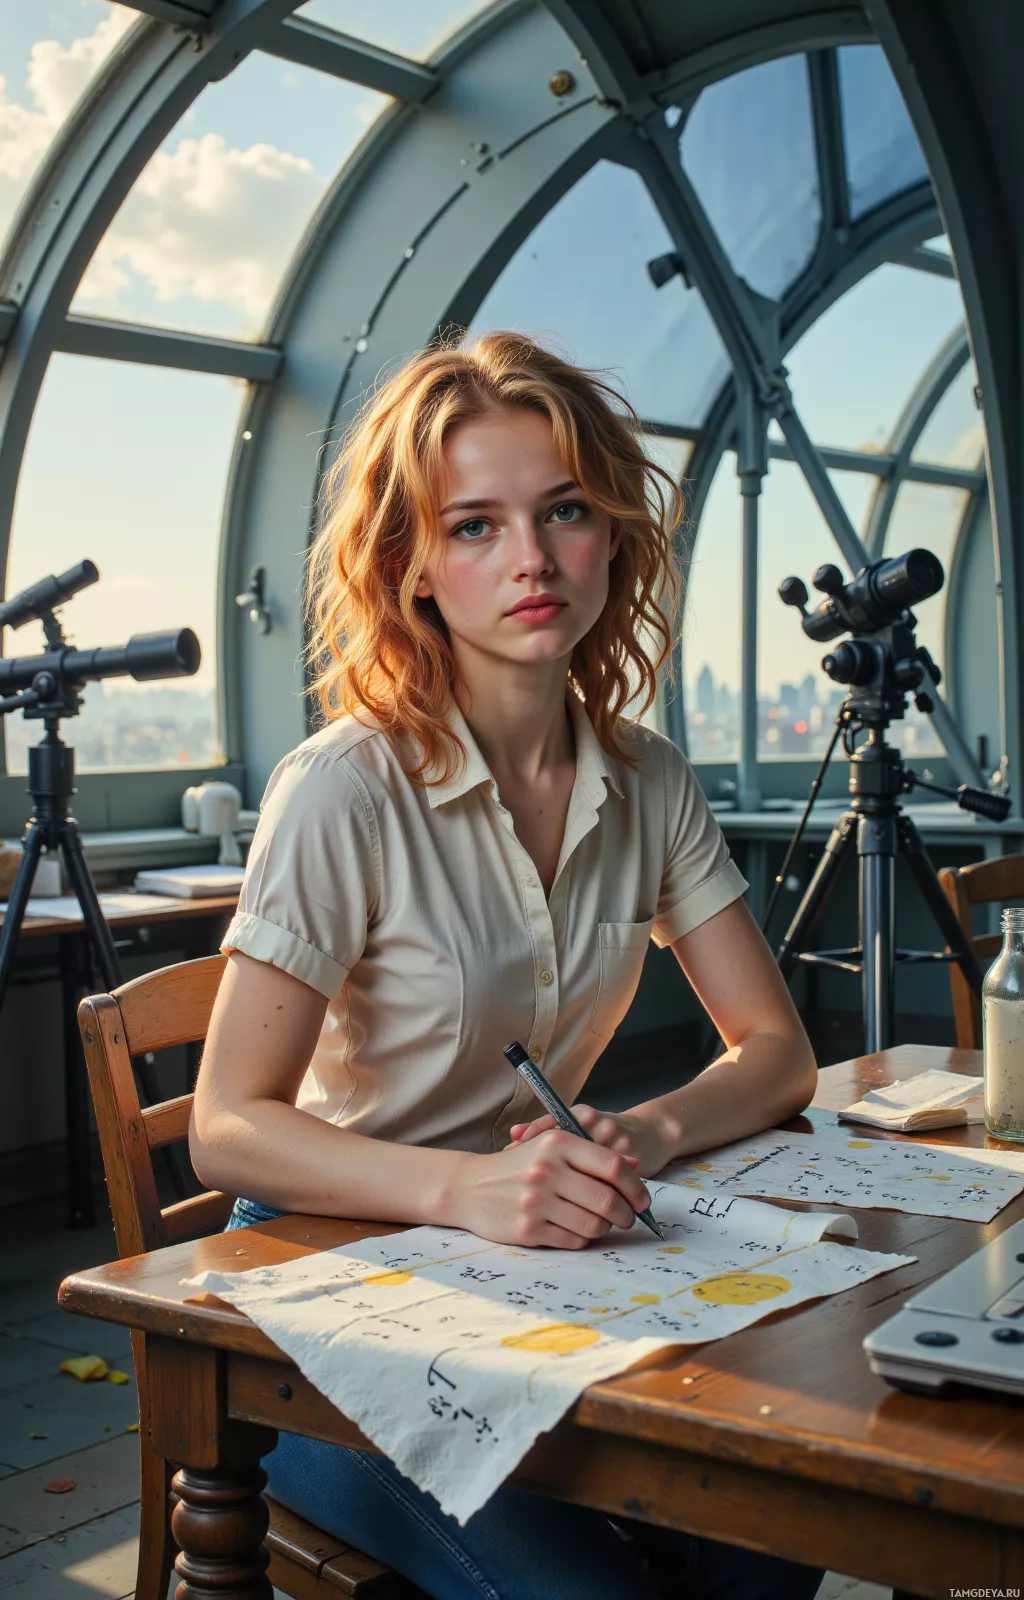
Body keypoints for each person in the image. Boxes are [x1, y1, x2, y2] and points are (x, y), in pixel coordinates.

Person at [190, 332, 823, 1599]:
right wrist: (465, 1192)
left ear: (613, 540)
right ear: (414, 568)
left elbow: (778, 1053)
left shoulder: (646, 778)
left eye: (564, 511)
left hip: (524, 1263)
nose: (529, 559)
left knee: (779, 1534)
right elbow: (224, 1131)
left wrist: (636, 1131)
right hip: (319, 1287)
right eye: (472, 525)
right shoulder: (342, 789)